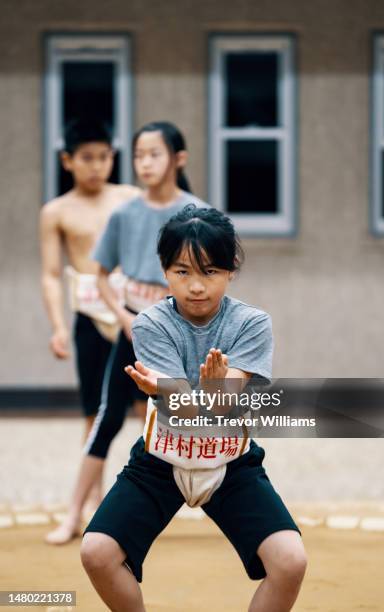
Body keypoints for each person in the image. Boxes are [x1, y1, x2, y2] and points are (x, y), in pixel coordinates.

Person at [81, 205, 307, 612]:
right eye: (183, 272)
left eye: (210, 271)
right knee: (96, 552)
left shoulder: (252, 324)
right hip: (160, 458)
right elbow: (185, 409)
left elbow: (216, 406)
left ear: (231, 270)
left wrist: (198, 393)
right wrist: (202, 393)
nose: (197, 286)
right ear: (164, 271)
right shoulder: (149, 323)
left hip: (230, 460)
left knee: (290, 562)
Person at [45, 121, 208, 545]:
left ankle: (216, 504)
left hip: (178, 328)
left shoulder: (196, 213)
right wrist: (123, 318)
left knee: (189, 417)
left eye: (154, 154)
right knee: (106, 418)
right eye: (139, 155)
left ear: (178, 159)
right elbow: (100, 276)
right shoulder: (125, 212)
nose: (145, 163)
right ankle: (73, 514)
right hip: (132, 325)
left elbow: (213, 277)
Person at [40, 118, 142, 539]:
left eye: (103, 157)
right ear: (67, 161)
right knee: (93, 414)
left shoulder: (131, 198)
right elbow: (49, 273)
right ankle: (95, 507)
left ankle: (151, 498)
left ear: (112, 158)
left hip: (133, 312)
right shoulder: (57, 211)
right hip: (88, 314)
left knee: (145, 407)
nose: (96, 166)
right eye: (87, 158)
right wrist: (57, 326)